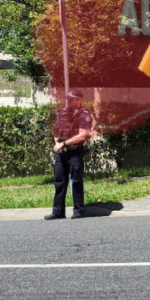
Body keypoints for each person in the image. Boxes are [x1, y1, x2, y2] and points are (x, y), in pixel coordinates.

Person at [46, 88, 93, 220]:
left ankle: (78, 210)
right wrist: (57, 143)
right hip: (61, 153)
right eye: (67, 99)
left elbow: (82, 135)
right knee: (59, 181)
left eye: (71, 99)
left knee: (76, 181)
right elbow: (56, 130)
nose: (68, 102)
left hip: (75, 153)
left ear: (78, 100)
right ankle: (58, 212)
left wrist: (64, 143)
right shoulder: (63, 113)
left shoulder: (84, 115)